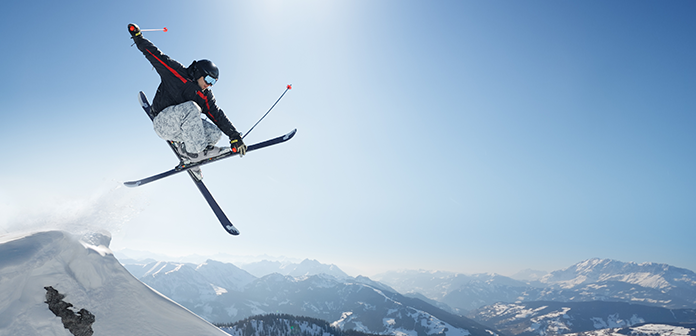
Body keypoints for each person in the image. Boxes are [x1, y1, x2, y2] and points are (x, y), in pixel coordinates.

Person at [127, 23, 246, 179]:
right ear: (199, 72)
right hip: (162, 122)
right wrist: (138, 37)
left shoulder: (205, 95)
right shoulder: (176, 73)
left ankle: (187, 153)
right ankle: (195, 154)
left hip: (182, 131)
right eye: (209, 79)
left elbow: (217, 115)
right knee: (191, 107)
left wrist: (235, 136)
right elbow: (154, 54)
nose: (209, 85)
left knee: (215, 133)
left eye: (214, 82)